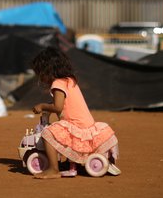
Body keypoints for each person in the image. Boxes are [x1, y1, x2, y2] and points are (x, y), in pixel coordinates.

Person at [31, 47, 119, 179]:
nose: (40, 78)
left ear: (46, 70)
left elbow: (58, 107)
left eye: (40, 73)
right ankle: (70, 163)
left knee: (48, 133)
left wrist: (42, 106)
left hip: (76, 125)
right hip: (86, 124)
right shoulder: (69, 80)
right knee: (59, 131)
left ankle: (53, 169)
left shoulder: (57, 84)